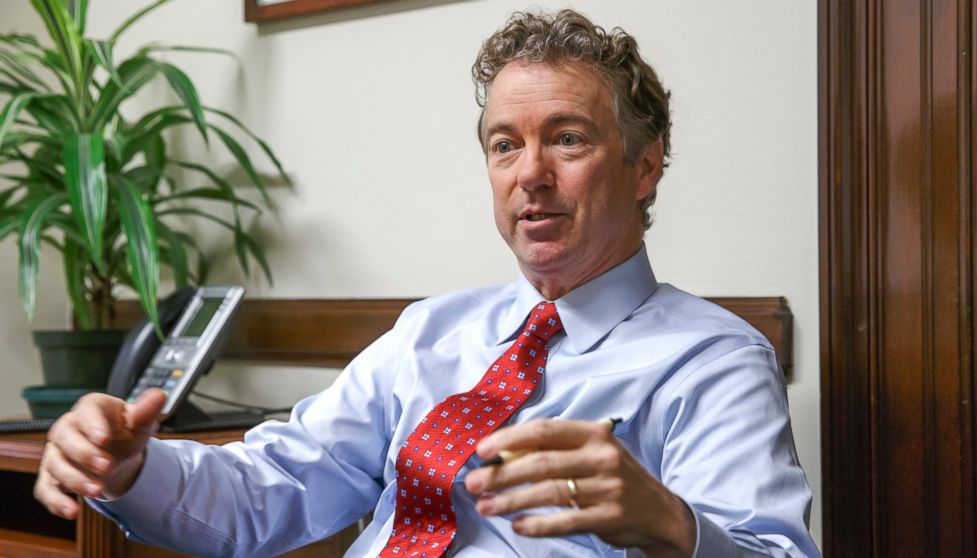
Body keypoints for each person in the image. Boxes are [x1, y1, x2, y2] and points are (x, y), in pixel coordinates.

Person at [34, 9, 820, 558]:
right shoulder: (431, 333)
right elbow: (271, 488)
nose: (531, 177)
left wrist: (670, 525)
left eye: (568, 139)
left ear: (644, 166)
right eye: (505, 146)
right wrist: (133, 469)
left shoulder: (713, 361)